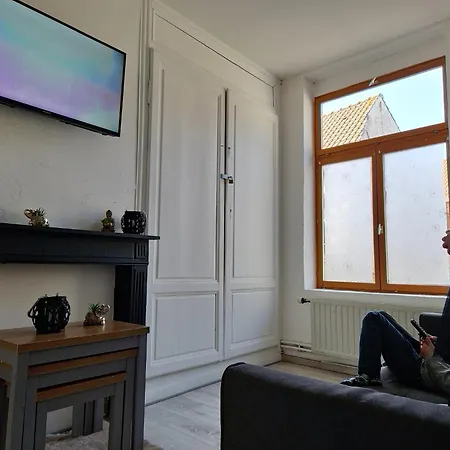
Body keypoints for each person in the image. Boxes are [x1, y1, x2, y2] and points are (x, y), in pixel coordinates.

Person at [341, 230, 450, 397]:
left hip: (426, 373)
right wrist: (438, 342)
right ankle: (370, 374)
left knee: (374, 318)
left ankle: (369, 376)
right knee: (382, 316)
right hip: (436, 358)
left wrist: (431, 358)